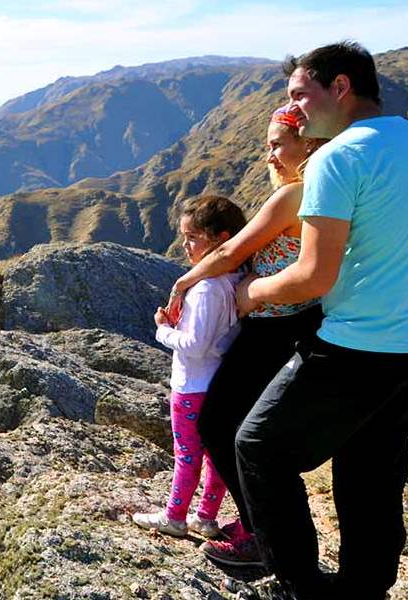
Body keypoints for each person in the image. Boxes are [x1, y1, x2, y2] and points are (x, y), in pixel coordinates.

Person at [229, 41, 408, 600]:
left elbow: (311, 276)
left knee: (259, 447)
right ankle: (364, 589)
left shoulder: (336, 157)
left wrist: (249, 294)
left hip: (361, 343)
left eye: (300, 94)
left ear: (341, 88)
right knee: (370, 469)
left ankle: (302, 586)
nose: (295, 109)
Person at [165, 105, 329, 567]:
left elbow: (234, 250)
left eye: (278, 144)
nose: (269, 155)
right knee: (242, 425)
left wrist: (185, 282)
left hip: (272, 327)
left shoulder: (292, 197)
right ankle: (260, 524)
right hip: (299, 322)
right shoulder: (325, 193)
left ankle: (263, 535)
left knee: (221, 425)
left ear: (310, 144)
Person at [132, 195, 247, 539]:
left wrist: (164, 330)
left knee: (186, 455)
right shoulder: (234, 279)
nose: (185, 245)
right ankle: (206, 517)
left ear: (221, 239)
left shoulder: (206, 289)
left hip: (191, 386)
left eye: (193, 237)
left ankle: (175, 516)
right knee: (215, 457)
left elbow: (195, 346)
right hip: (218, 381)